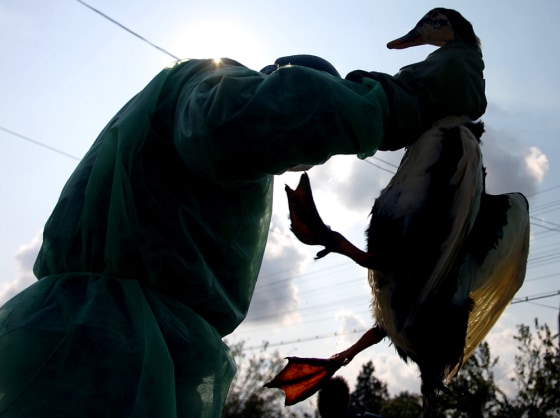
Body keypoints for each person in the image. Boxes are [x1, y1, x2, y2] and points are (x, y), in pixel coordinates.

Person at [0, 34, 485, 418]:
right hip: (101, 347)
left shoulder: (165, 123)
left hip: (112, 338)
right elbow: (244, 120)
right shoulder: (211, 85)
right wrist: (390, 102)